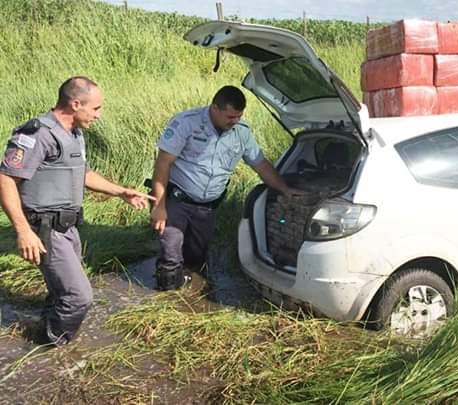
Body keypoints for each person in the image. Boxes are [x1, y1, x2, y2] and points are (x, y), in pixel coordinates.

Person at [0, 76, 154, 346]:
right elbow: (6, 179)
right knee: (78, 296)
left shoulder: (74, 133)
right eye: (95, 109)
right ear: (75, 104)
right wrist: (23, 230)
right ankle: (49, 345)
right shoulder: (38, 133)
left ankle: (45, 327)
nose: (99, 115)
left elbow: (82, 172)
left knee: (61, 291)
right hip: (46, 228)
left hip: (68, 227)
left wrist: (120, 192)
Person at [150, 85, 301, 290]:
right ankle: (165, 299)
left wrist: (284, 189)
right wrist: (159, 206)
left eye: (238, 116)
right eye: (230, 116)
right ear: (215, 108)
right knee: (171, 253)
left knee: (197, 256)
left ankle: (189, 295)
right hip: (178, 200)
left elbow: (262, 166)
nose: (235, 121)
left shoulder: (242, 133)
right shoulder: (186, 123)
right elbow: (163, 164)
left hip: (207, 208)